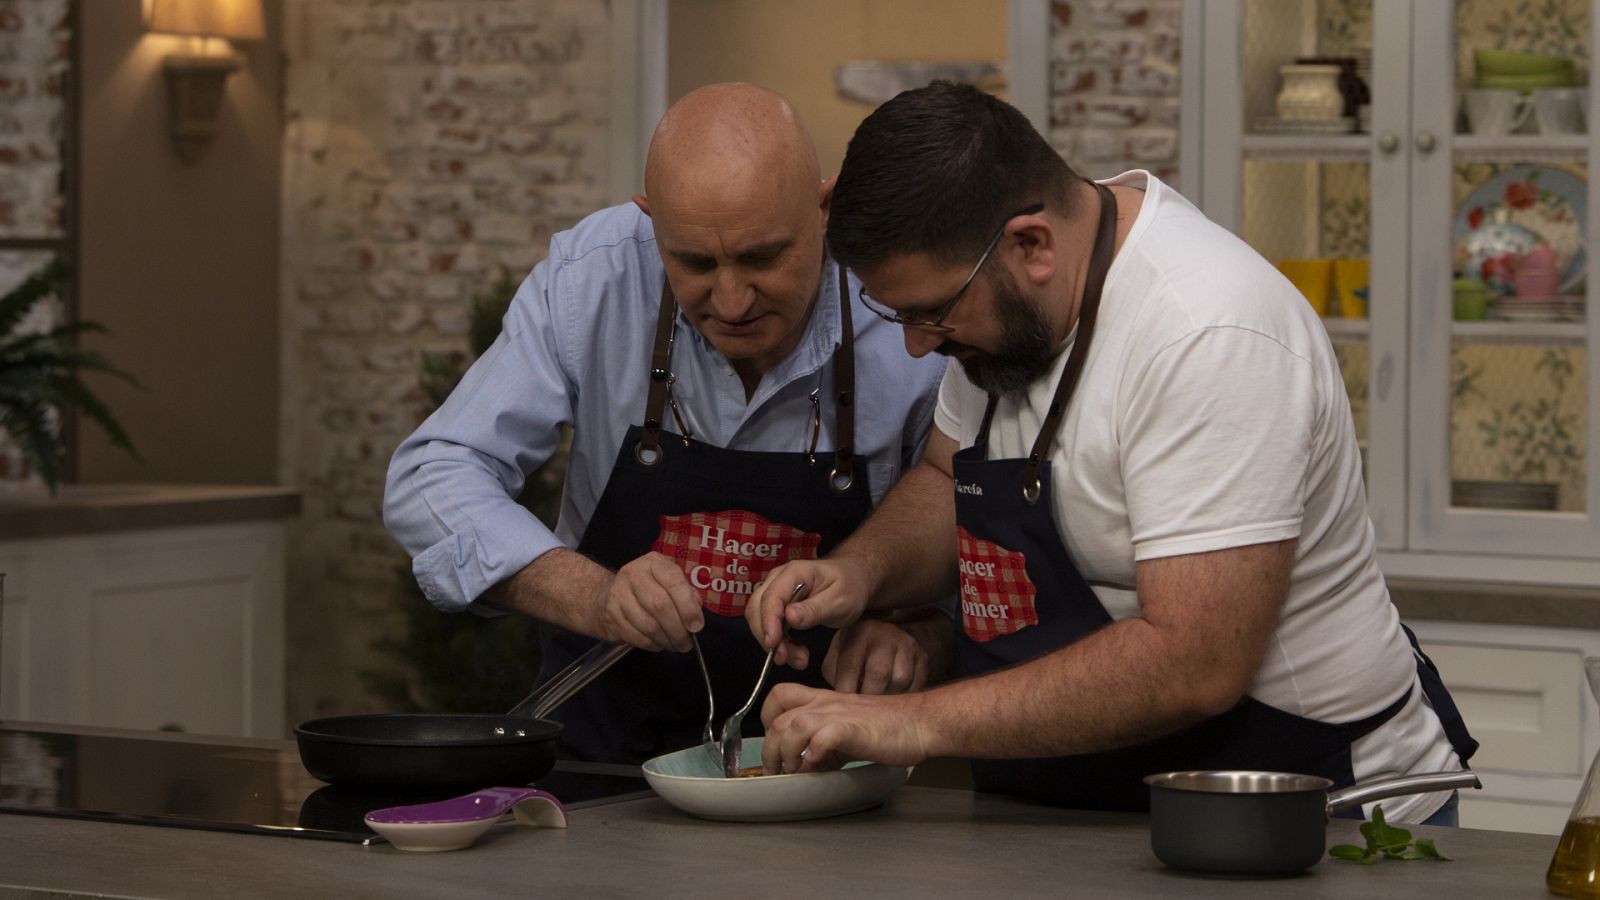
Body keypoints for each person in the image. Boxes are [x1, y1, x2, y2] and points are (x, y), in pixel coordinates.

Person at [744, 81, 1477, 824]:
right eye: (897, 313)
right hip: (1095, 809)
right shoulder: (1007, 318)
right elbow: (945, 473)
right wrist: (857, 572)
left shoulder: (1207, 332)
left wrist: (909, 724)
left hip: (1306, 811)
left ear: (1031, 245)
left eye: (932, 312)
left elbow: (1193, 664)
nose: (915, 344)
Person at [383, 83, 949, 764]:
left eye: (764, 257)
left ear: (823, 208)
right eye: (695, 263)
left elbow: (965, 509)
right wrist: (593, 595)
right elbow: (431, 474)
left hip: (827, 762)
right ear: (649, 224)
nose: (733, 299)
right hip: (600, 753)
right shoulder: (593, 278)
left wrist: (916, 631)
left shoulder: (898, 298)